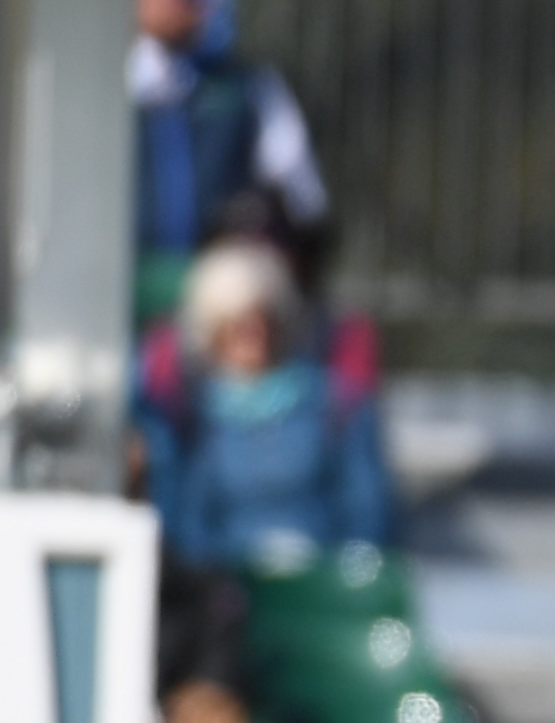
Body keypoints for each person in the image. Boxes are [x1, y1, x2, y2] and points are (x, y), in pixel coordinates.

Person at [145, 237, 395, 571]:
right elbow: (188, 520)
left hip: (320, 584)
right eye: (236, 323)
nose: (253, 333)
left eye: (262, 317)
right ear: (213, 330)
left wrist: (346, 574)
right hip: (231, 590)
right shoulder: (194, 416)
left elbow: (367, 509)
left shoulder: (332, 403)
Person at [131, 0, 329, 310]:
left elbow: (303, 199)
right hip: (119, 293)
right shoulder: (97, 89)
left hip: (219, 305)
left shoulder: (246, 88)